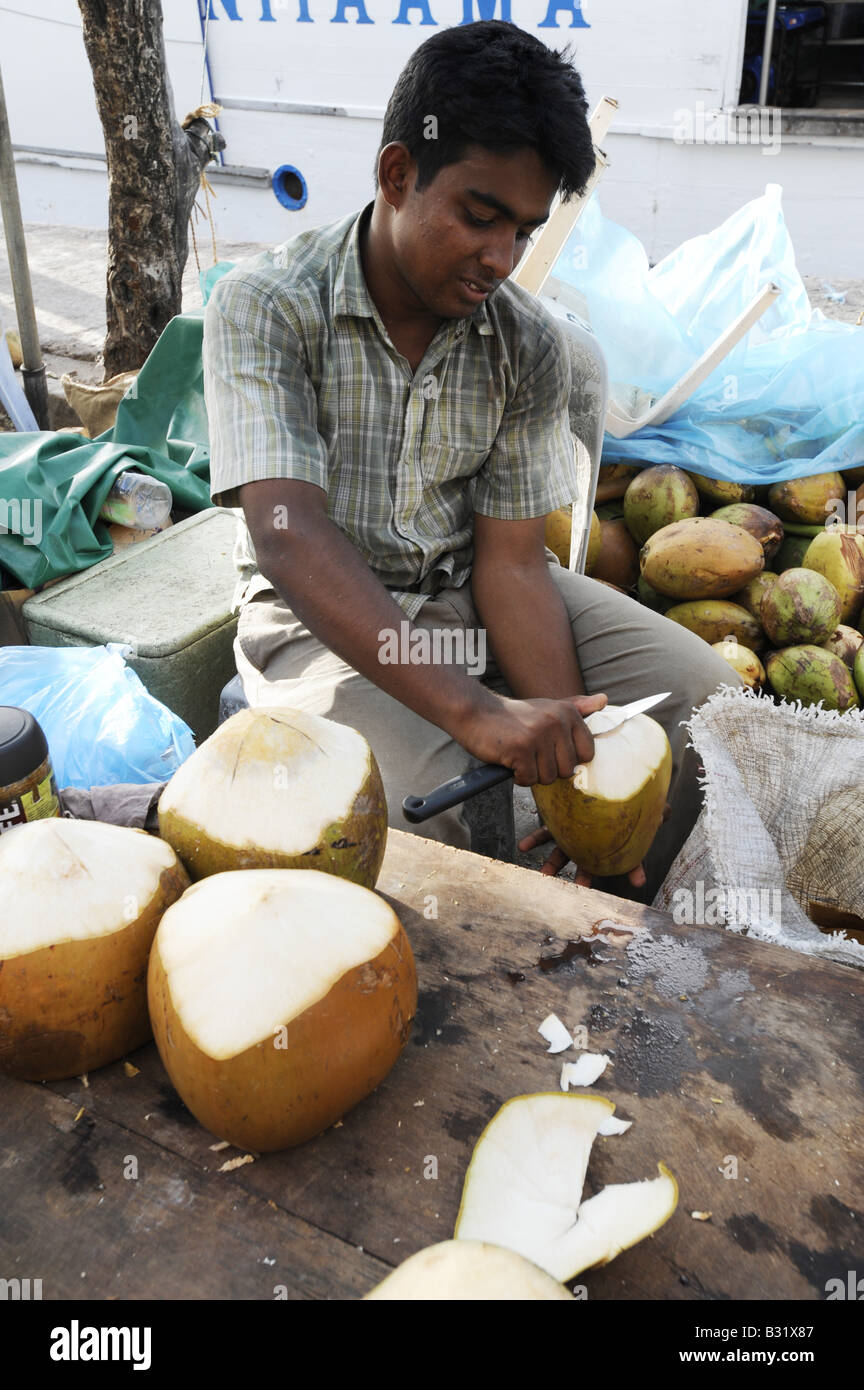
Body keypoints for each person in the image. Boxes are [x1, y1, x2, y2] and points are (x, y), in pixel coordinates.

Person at [203, 19, 740, 903]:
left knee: (708, 706)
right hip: (315, 616)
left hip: (470, 586)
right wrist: (477, 713)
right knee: (429, 812)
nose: (501, 258)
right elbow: (286, 536)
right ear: (396, 174)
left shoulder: (525, 345)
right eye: (480, 218)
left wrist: (578, 765)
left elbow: (513, 565)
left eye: (524, 231)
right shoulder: (266, 306)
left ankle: (617, 920)